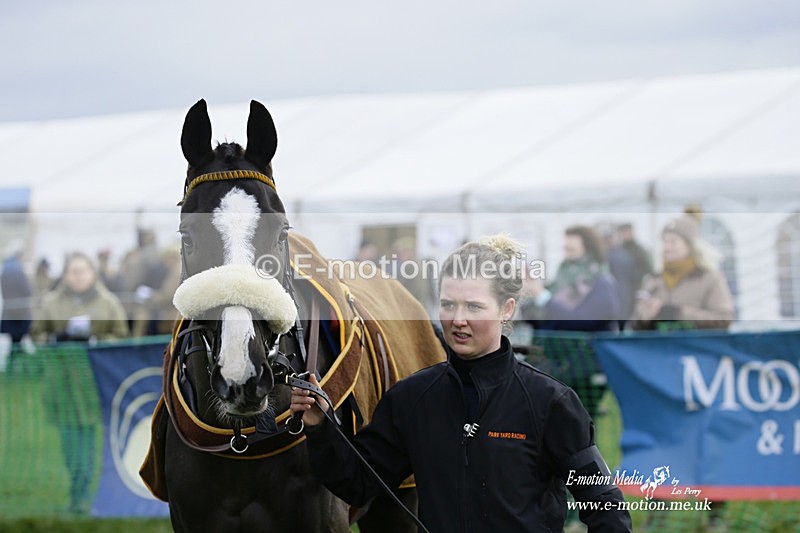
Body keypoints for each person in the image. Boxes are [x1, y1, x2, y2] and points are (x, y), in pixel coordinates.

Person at [291, 235, 632, 532]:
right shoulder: (412, 399)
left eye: (474, 306)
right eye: (448, 304)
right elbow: (358, 483)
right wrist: (321, 427)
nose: (458, 319)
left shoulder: (551, 402)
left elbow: (605, 505)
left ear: (506, 309)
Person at [30, 252, 130, 514]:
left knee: (89, 442)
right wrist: (55, 340)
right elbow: (36, 336)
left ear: (93, 273)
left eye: (83, 271)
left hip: (94, 385)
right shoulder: (50, 303)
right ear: (65, 275)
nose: (79, 277)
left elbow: (122, 338)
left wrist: (95, 343)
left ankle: (87, 495)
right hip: (61, 385)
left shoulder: (108, 303)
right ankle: (78, 492)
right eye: (73, 272)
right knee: (70, 443)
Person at [629, 208, 734, 331]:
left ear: (689, 246)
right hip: (660, 343)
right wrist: (648, 315)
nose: (667, 247)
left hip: (694, 343)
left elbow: (723, 319)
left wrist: (679, 313)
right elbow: (634, 324)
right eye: (664, 242)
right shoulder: (653, 280)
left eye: (673, 242)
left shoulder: (710, 278)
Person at [0, 240, 33, 342]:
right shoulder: (19, 273)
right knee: (18, 343)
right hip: (20, 314)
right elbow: (28, 291)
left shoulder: (4, 272)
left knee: (10, 343)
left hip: (7, 313)